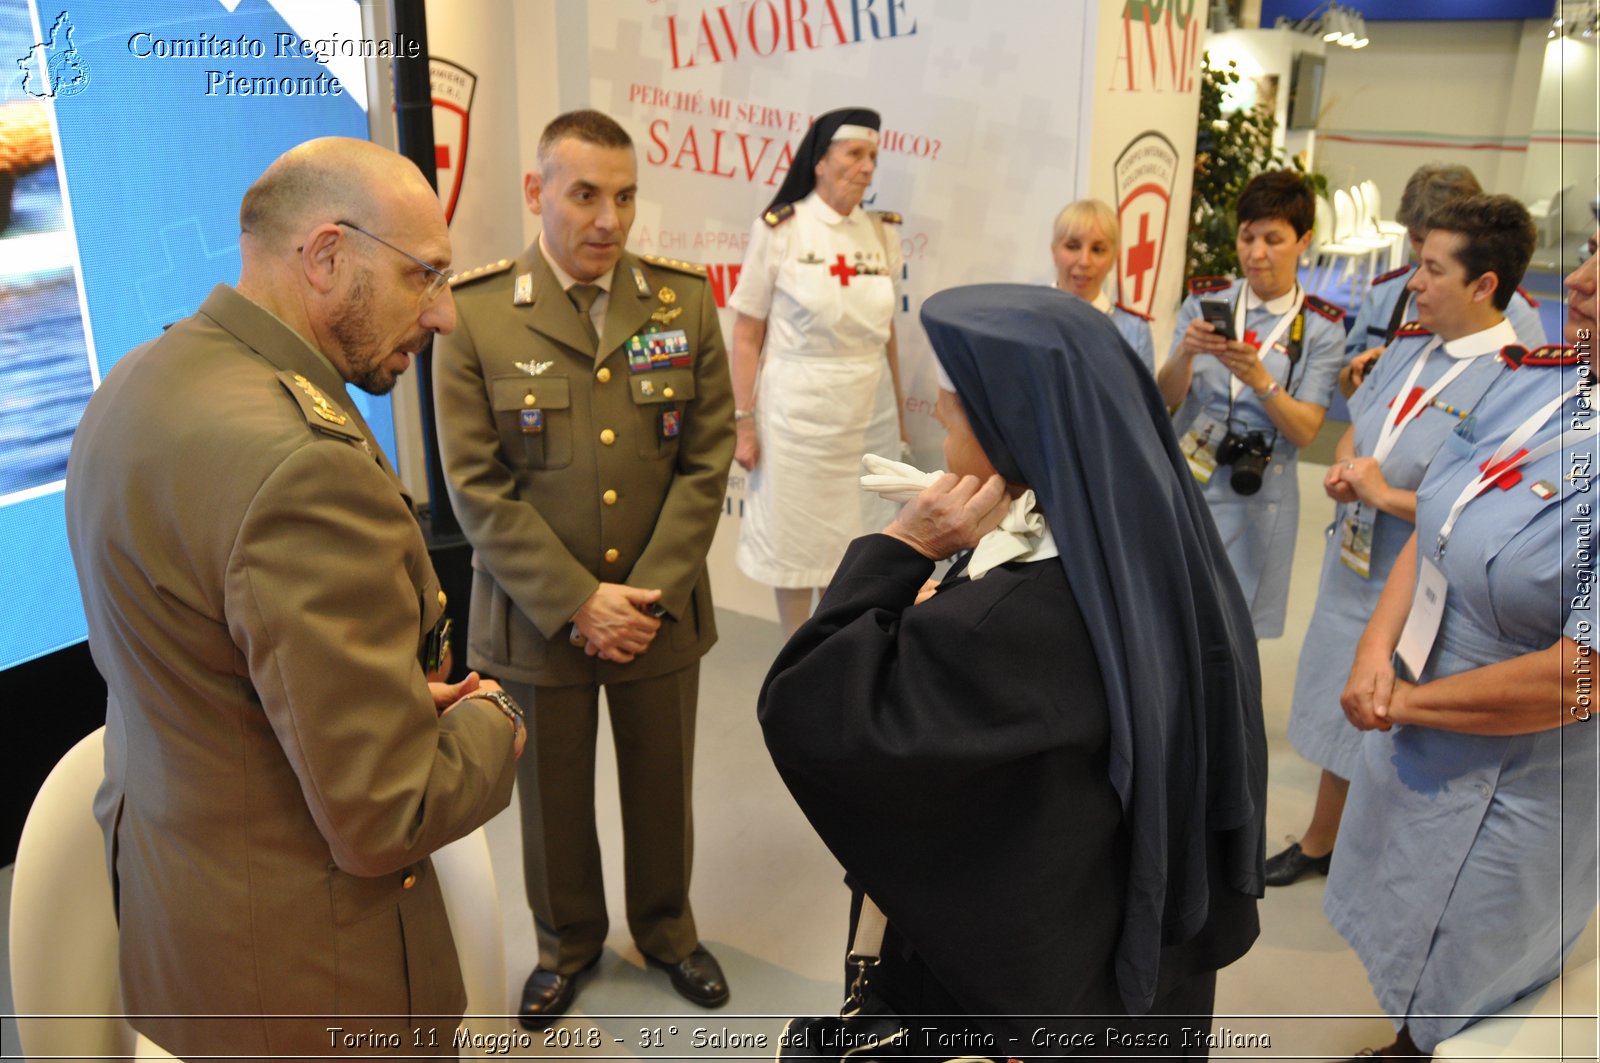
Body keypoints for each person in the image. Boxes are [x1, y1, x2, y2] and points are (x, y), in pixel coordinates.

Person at [63, 138, 525, 1059]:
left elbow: (214, 674)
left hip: (190, 936)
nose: (443, 317)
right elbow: (385, 813)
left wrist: (375, 707)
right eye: (423, 277)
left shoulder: (138, 383)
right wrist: (497, 715)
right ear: (325, 257)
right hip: (311, 981)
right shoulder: (304, 467)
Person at [760, 284, 1266, 1053]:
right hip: (1127, 966)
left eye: (954, 400)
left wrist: (899, 549)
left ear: (1010, 427)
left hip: (1004, 985)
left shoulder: (1005, 621)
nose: (936, 411)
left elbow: (808, 704)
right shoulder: (1168, 551)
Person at [432, 109, 735, 1026]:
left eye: (627, 195)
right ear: (537, 193)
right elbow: (475, 485)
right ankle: (565, 943)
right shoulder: (477, 314)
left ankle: (668, 930)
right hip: (536, 618)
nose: (611, 219)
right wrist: (577, 601)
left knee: (661, 781)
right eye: (586, 194)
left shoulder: (682, 303)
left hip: (657, 607)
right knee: (551, 797)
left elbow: (708, 455)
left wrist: (642, 595)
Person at [1325, 228, 1597, 1059]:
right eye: (1588, 253)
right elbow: (1437, 521)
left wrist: (1406, 699)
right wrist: (1377, 654)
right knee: (1405, 932)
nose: (1578, 284)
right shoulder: (1544, 384)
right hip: (1421, 718)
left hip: (1519, 782)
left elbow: (1582, 677)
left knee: (1469, 976)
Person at [1267, 195, 1537, 887]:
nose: (1412, 283)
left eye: (1431, 269)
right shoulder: (1414, 347)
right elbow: (1363, 424)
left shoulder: (1515, 381)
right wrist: (1349, 464)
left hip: (1423, 588)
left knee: (1396, 725)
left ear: (1484, 286)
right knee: (1340, 699)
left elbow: (1487, 509)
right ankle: (1323, 839)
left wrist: (1386, 494)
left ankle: (1369, 860)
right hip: (1353, 563)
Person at [727, 107, 908, 636]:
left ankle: (832, 647)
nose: (867, 167)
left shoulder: (882, 232)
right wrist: (743, 420)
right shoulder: (781, 228)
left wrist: (896, 419)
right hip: (796, 418)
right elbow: (746, 334)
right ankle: (793, 646)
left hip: (866, 414)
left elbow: (888, 335)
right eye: (854, 154)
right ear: (821, 161)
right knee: (796, 538)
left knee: (853, 541)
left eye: (872, 156)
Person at [1158, 169, 1346, 640]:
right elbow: (1164, 398)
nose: (1256, 253)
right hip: (1188, 480)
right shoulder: (1206, 302)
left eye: (1273, 239)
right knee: (1171, 619)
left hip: (1258, 496)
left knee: (1234, 634)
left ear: (1303, 240)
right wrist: (1186, 352)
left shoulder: (1321, 328)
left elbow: (1305, 431)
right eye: (1247, 237)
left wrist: (1260, 380)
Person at [1339, 163, 1545, 396]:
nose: (1425, 251)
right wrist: (1370, 372)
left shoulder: (1513, 312)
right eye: (1417, 239)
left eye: (1437, 242)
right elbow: (1347, 378)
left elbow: (1526, 397)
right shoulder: (1386, 293)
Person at [1050, 197, 1155, 372]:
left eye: (1097, 250)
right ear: (1054, 252)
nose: (1084, 261)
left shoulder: (1133, 331)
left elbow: (1141, 399)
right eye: (1073, 246)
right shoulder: (1026, 319)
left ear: (1114, 258)